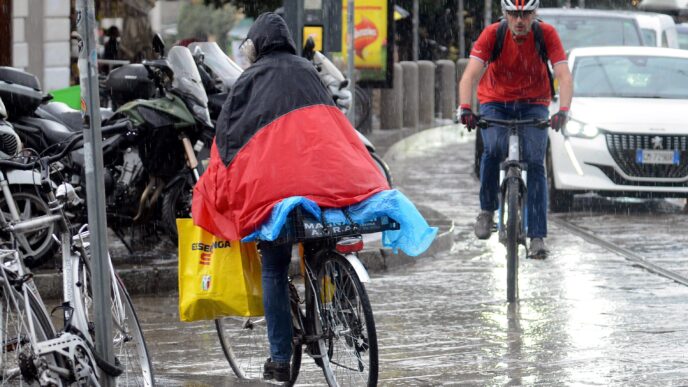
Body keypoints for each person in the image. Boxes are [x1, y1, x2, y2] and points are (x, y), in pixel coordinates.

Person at [192, 13, 390, 382]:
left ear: (255, 46)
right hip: (322, 188)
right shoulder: (307, 70)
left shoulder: (249, 79)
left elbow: (229, 137)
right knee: (319, 246)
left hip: (276, 194)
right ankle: (326, 320)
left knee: (274, 265)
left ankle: (280, 359)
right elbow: (329, 120)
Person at [457, 0, 573, 258]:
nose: (519, 20)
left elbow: (563, 75)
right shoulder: (492, 34)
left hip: (534, 102)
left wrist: (563, 110)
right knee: (493, 149)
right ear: (504, 14)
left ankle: (537, 236)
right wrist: (465, 108)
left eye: (525, 14)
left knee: (535, 162)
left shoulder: (547, 34)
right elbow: (470, 75)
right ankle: (487, 210)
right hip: (495, 101)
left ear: (534, 14)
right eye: (513, 14)